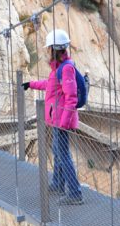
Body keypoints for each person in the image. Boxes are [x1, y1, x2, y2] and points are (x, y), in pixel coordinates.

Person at [23, 29, 83, 205]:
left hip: (62, 121)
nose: (47, 50)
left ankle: (75, 193)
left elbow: (71, 98)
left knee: (63, 154)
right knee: (58, 151)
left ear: (54, 49)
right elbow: (50, 86)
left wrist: (63, 123)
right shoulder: (57, 68)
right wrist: (30, 84)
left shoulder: (66, 69)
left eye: (49, 48)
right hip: (57, 119)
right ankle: (58, 183)